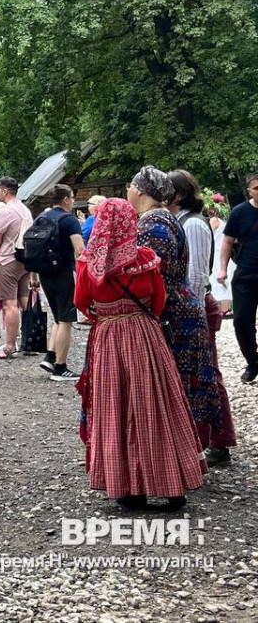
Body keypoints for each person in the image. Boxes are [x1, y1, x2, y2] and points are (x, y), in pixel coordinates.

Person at [75, 198, 203, 510]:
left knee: (114, 407)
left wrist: (108, 314)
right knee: (158, 406)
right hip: (146, 337)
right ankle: (173, 485)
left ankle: (127, 488)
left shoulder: (89, 263)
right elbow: (158, 302)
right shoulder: (145, 258)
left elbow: (81, 303)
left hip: (109, 338)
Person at [130, 166, 231, 457]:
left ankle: (211, 444)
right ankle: (197, 447)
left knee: (200, 381)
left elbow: (196, 274)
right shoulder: (170, 220)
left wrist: (194, 313)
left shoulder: (178, 224)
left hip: (185, 311)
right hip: (184, 310)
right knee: (197, 379)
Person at [169, 169, 235, 466]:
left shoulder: (193, 224)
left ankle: (219, 441)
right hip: (191, 309)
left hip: (195, 308)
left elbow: (195, 275)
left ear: (178, 194)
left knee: (206, 375)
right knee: (199, 375)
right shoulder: (181, 220)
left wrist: (189, 316)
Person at [36, 185, 84, 382]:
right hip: (64, 272)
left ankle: (50, 355)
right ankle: (61, 367)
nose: (73, 201)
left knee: (57, 317)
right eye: (72, 197)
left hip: (44, 272)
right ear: (65, 200)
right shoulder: (69, 220)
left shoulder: (42, 217)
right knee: (67, 319)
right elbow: (80, 249)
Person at [0, 177, 35, 360]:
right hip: (25, 260)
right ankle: (28, 340)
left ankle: (9, 346)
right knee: (24, 302)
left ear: (5, 191)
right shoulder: (25, 210)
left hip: (7, 260)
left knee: (9, 304)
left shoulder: (5, 212)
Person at [218, 172, 258, 383]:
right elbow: (227, 242)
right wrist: (223, 269)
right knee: (242, 319)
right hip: (246, 273)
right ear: (249, 190)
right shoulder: (239, 212)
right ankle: (253, 361)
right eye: (257, 188)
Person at [207, 198, 235, 316]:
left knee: (218, 279)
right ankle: (226, 309)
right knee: (225, 282)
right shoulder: (224, 221)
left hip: (218, 253)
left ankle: (223, 309)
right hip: (223, 252)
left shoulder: (213, 220)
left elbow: (209, 234)